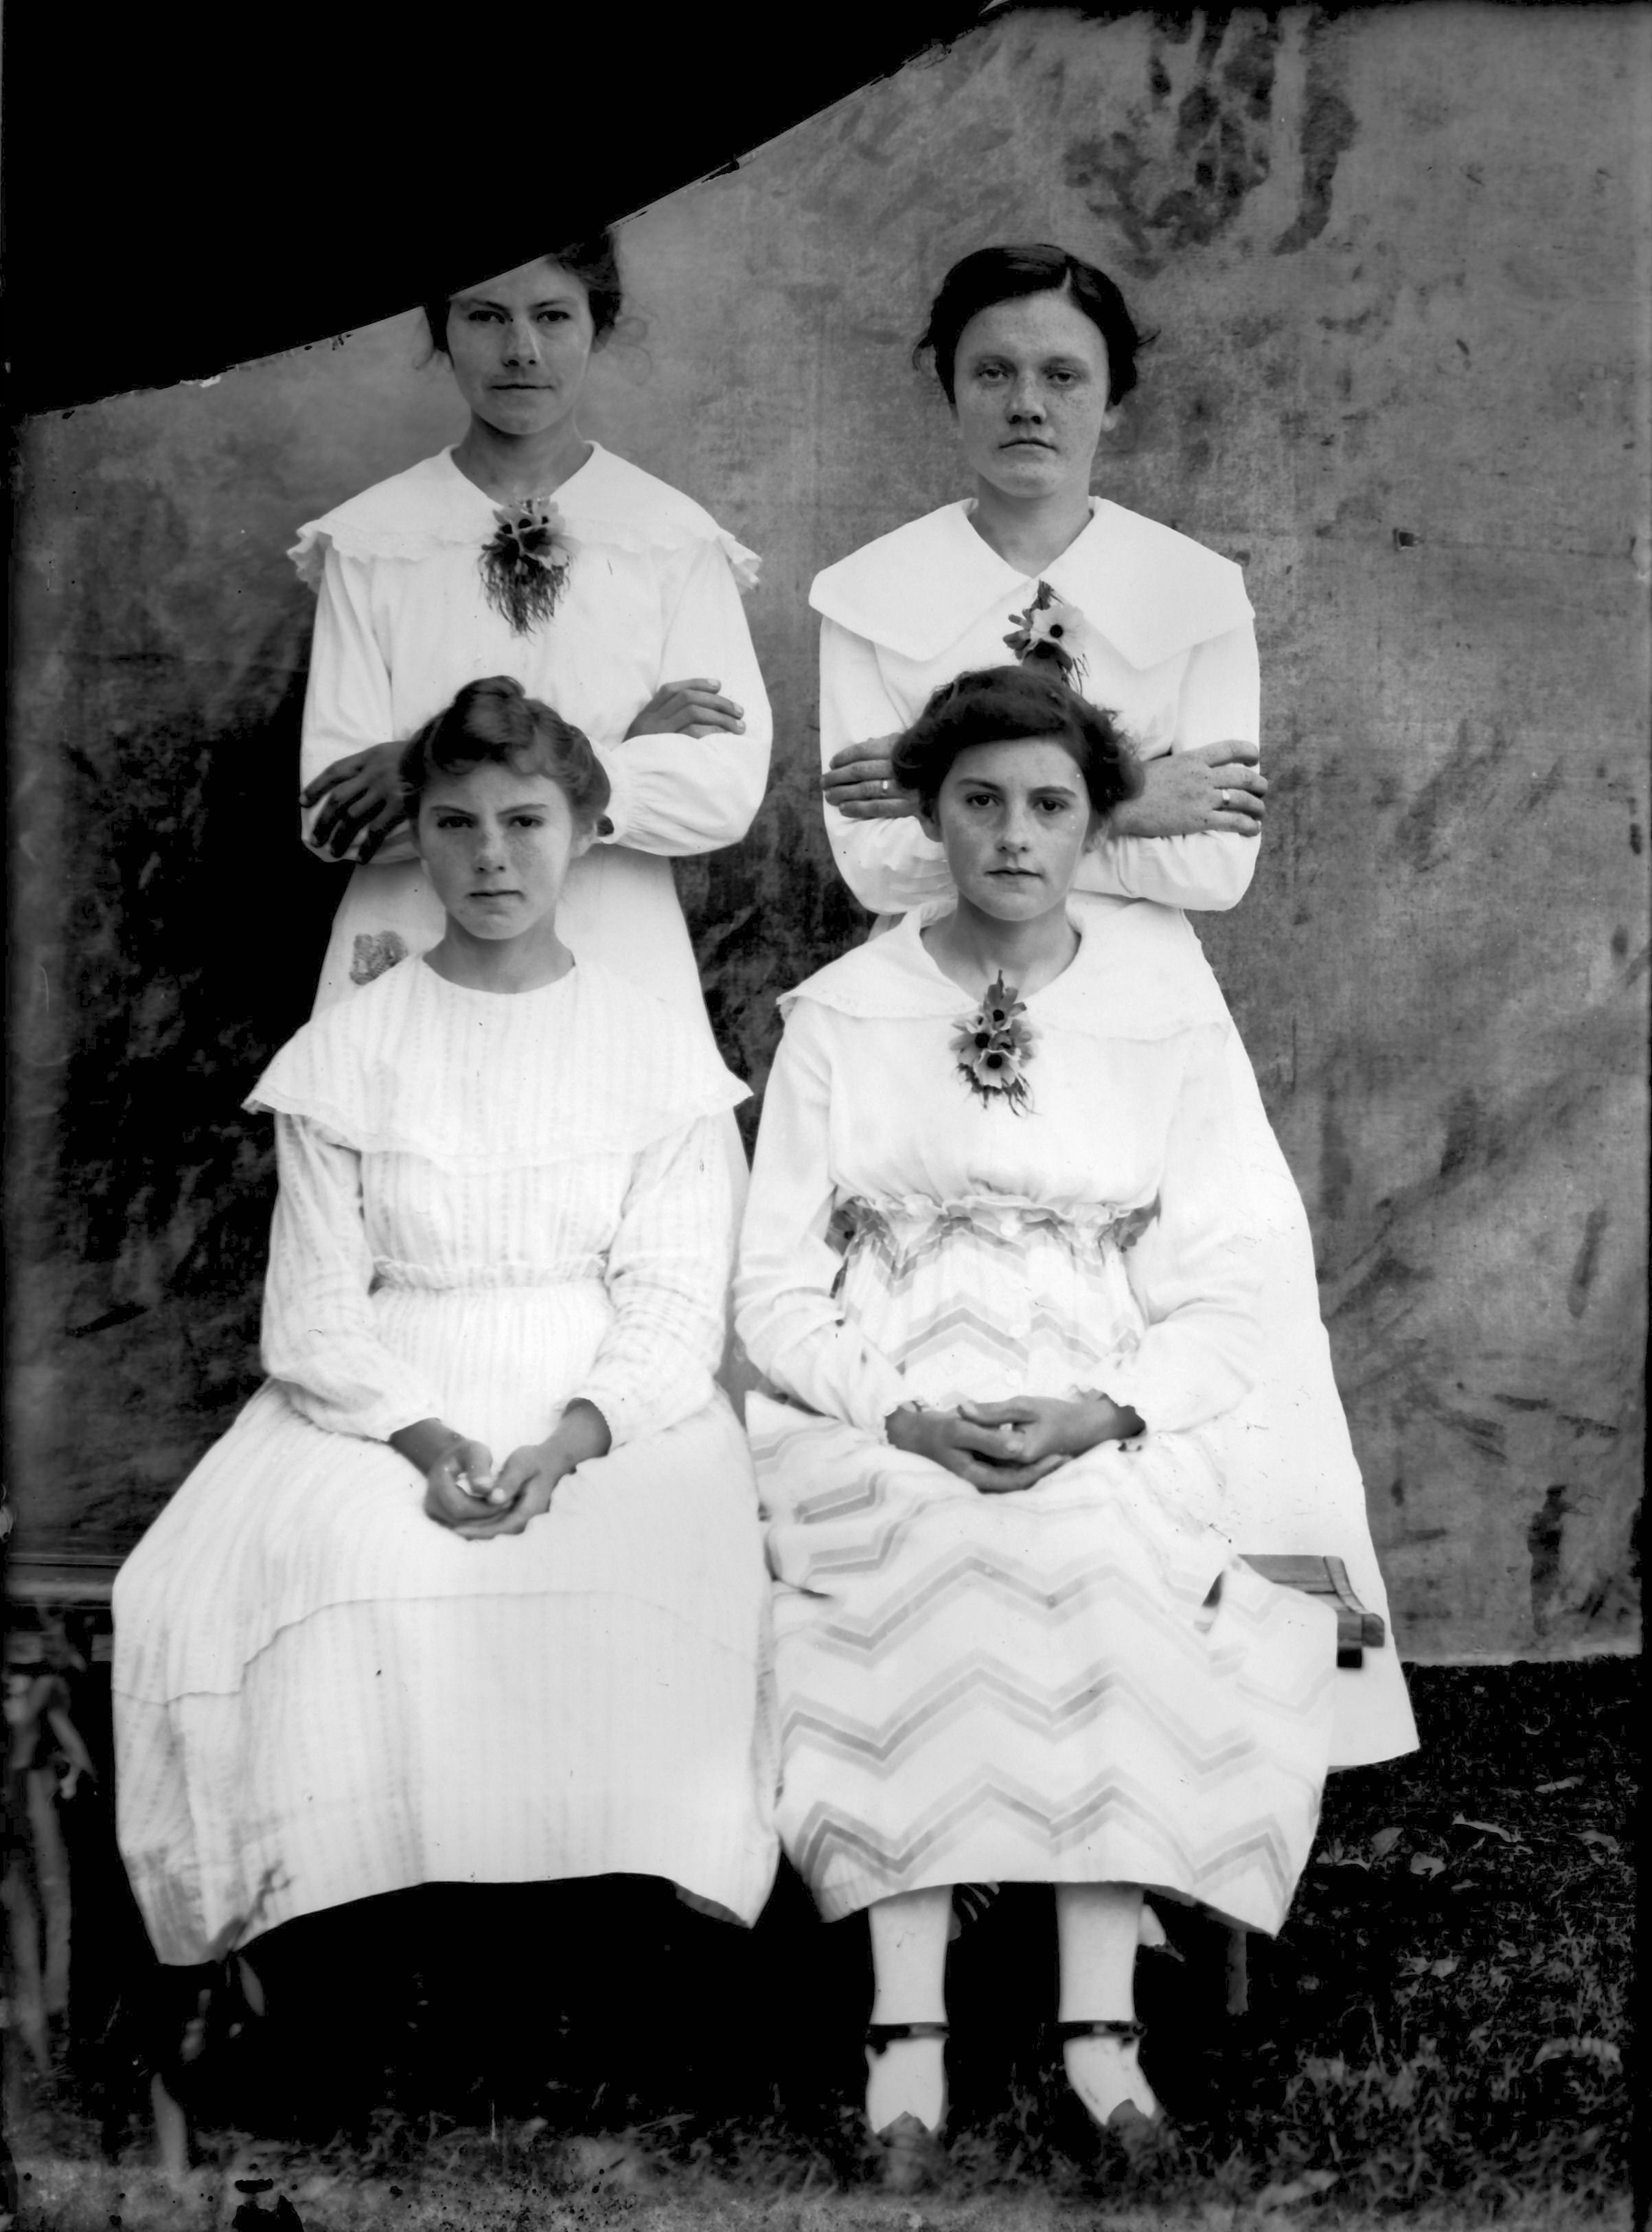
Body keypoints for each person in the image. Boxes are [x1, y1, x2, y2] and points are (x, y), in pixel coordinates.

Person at [810, 242, 1414, 1766]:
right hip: (939, 1000)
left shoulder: (1193, 593)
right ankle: (963, 1733)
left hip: (1145, 1007)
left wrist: (987, 803)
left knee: (1226, 1302)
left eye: (1063, 374)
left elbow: (1222, 863)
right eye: (995, 371)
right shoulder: (873, 595)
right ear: (949, 390)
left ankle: (1238, 1723)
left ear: (1114, 400)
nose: (1029, 402)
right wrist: (1132, 795)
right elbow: (872, 856)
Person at [737, 668, 1344, 2177]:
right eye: (982, 801)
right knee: (917, 1553)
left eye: (1051, 805)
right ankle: (904, 2038)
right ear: (931, 815)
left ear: (1095, 825)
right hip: (892, 1387)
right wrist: (897, 1414)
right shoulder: (843, 1016)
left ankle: (1099, 2032)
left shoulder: (1160, 1021)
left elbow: (1227, 1279)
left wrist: (1107, 1411)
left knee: (1102, 1547)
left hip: (1093, 1379)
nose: (1015, 835)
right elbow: (771, 1285)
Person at [114, 677, 778, 1990]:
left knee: (634, 1547)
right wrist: (425, 1445)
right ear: (413, 837)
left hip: (603, 1389)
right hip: (387, 1387)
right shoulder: (350, 1051)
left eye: (525, 823)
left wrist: (569, 1443)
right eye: (455, 823)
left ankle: (605, 1941)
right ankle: (356, 1933)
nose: (491, 858)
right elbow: (313, 1314)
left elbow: (670, 1305)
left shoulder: (652, 1052)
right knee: (334, 1554)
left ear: (583, 833)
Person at [290, 232, 771, 1044]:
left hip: (614, 947)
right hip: (414, 950)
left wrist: (418, 768)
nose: (521, 349)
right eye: (486, 316)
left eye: (552, 316)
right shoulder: (373, 539)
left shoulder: (669, 536)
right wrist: (612, 762)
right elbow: (335, 818)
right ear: (444, 329)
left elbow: (721, 791)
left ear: (596, 324)